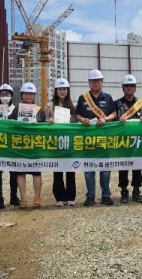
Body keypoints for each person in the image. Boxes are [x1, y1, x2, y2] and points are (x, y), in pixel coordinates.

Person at [76, 69, 117, 207]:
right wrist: (83, 119)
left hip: (104, 139)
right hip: (88, 139)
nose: (96, 83)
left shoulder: (108, 98)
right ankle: (90, 196)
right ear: (89, 83)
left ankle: (106, 195)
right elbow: (77, 115)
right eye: (93, 81)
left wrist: (105, 119)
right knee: (89, 170)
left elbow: (114, 113)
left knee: (105, 169)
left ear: (102, 82)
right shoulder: (83, 98)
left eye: (98, 81)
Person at [115, 74, 142, 204]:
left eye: (131, 86)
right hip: (122, 140)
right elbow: (111, 119)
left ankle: (136, 191)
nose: (129, 88)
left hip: (137, 140)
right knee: (123, 165)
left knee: (137, 166)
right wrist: (119, 119)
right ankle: (123, 191)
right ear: (123, 88)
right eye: (127, 86)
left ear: (135, 88)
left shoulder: (141, 104)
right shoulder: (117, 103)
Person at [47, 78, 77, 207]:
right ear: (56, 91)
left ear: (68, 90)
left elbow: (75, 123)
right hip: (55, 141)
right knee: (57, 171)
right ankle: (59, 197)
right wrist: (50, 121)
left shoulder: (72, 106)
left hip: (69, 142)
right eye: (60, 89)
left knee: (70, 170)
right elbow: (44, 122)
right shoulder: (49, 106)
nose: (62, 91)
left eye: (64, 89)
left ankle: (70, 196)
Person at [16, 82, 46, 209]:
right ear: (22, 95)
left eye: (31, 94)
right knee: (21, 172)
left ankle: (37, 198)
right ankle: (23, 198)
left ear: (34, 96)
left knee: (36, 173)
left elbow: (44, 128)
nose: (28, 96)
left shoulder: (40, 111)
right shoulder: (15, 110)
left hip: (35, 145)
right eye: (26, 93)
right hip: (20, 144)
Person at [0, 83, 20, 208]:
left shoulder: (17, 109)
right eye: (2, 94)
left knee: (14, 172)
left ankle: (14, 197)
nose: (5, 96)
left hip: (12, 144)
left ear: (12, 96)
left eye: (7, 94)